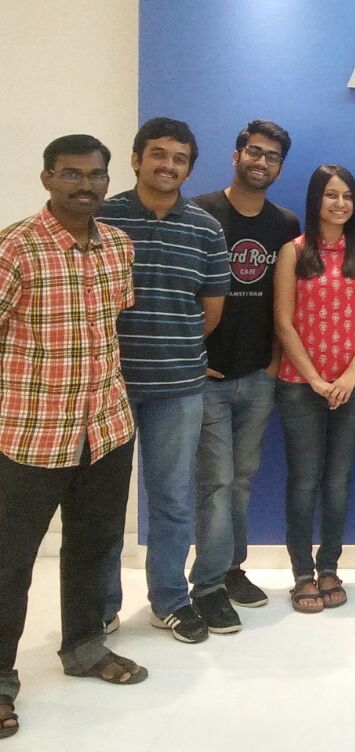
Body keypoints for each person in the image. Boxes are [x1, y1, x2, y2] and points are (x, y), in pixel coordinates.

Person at [0, 135, 148, 742]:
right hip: (31, 434)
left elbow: (110, 326)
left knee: (93, 546)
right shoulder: (15, 247)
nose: (85, 185)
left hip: (106, 428)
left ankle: (85, 648)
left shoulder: (118, 245)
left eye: (95, 175)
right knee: (9, 562)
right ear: (47, 178)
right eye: (71, 174)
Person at [99, 117, 230, 644]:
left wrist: (173, 346)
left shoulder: (205, 229)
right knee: (104, 503)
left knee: (173, 498)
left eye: (179, 159)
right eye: (158, 154)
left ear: (189, 169)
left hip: (178, 389)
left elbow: (210, 311)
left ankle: (170, 600)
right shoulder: (102, 218)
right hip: (105, 387)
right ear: (136, 159)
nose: (167, 165)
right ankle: (99, 606)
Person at [190, 120, 299, 624]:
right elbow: (182, 293)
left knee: (241, 480)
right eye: (254, 152)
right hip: (207, 376)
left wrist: (274, 363)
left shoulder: (285, 225)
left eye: (272, 156)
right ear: (236, 156)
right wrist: (194, 358)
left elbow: (286, 303)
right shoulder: (201, 212)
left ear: (279, 168)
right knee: (215, 482)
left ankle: (231, 568)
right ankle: (207, 585)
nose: (262, 162)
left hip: (259, 374)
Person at [274, 165, 355, 613]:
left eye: (347, 196)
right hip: (300, 385)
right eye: (330, 195)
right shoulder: (294, 251)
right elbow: (284, 322)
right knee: (304, 481)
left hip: (354, 385)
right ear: (315, 200)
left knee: (337, 480)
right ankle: (302, 574)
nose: (340, 204)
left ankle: (329, 568)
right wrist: (317, 379)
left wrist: (351, 373)